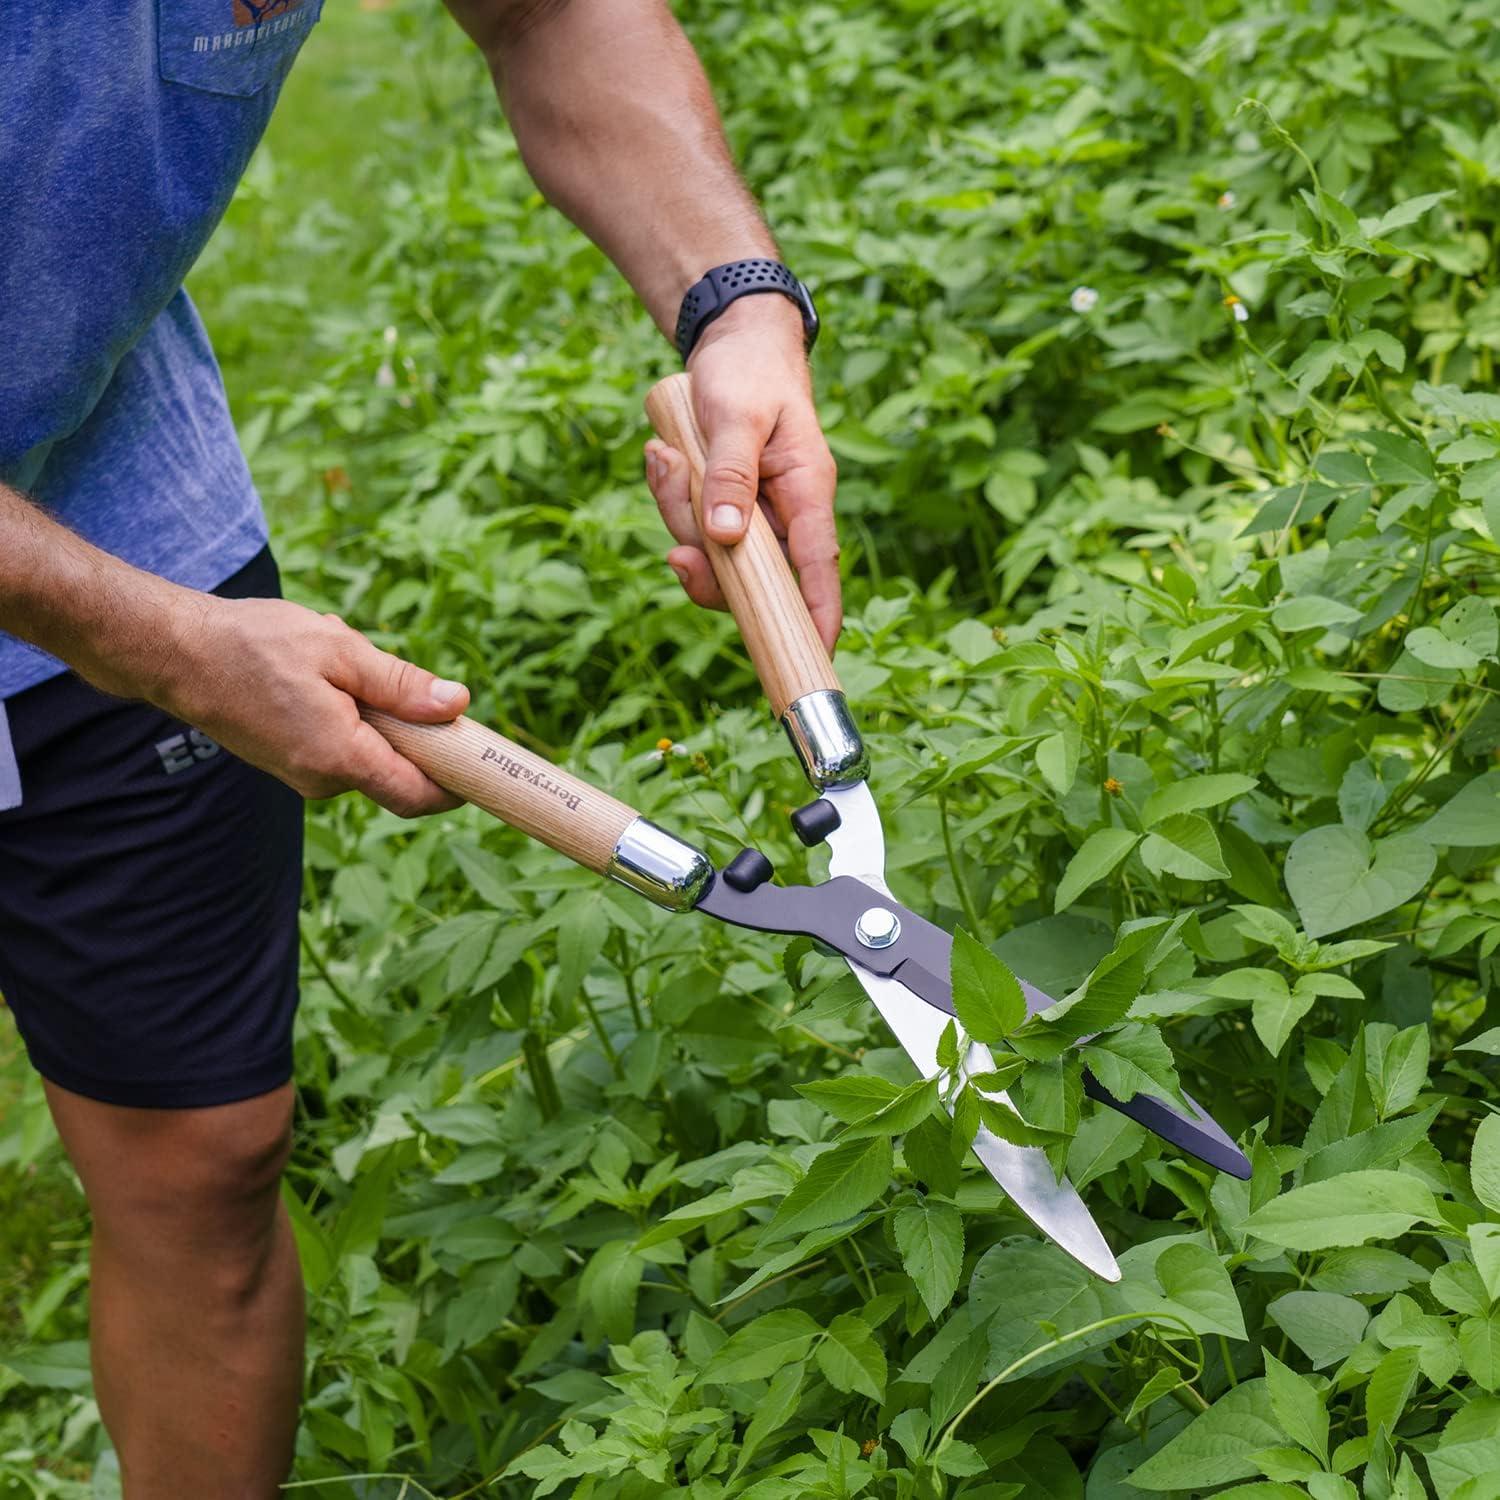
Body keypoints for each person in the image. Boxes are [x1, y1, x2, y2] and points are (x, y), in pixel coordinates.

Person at [0, 2, 839, 1492]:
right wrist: (172, 653)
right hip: (129, 610)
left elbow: (549, 13)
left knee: (203, 1158)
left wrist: (740, 306)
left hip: (106, 497)